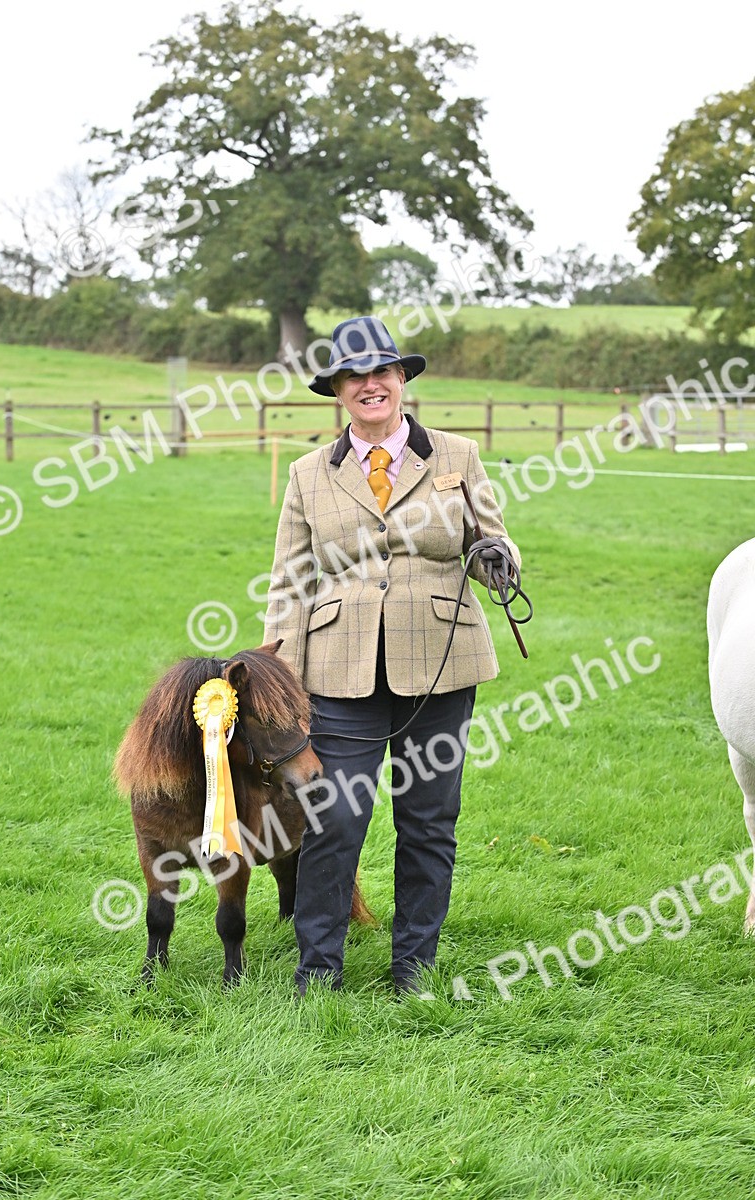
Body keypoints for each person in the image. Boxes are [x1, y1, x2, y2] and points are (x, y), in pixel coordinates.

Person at [263, 316, 521, 994]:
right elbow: (289, 581)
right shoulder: (307, 474)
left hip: (441, 663)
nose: (370, 384)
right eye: (355, 375)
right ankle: (318, 969)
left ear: (401, 379)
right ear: (339, 391)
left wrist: (497, 559)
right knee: (336, 820)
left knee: (430, 819)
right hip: (338, 671)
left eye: (382, 371)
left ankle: (414, 968)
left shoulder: (458, 457)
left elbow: (491, 538)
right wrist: (282, 677)